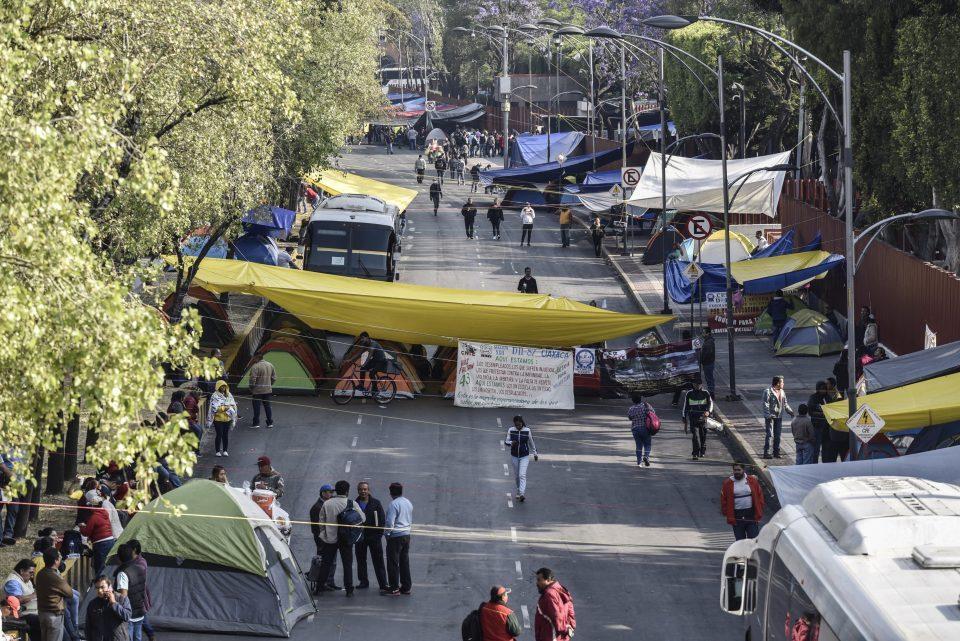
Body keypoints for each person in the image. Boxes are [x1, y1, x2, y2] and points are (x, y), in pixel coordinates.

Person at [316, 481, 363, 597]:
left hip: (330, 539)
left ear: (336, 490)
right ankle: (349, 589)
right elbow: (362, 518)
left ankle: (319, 587)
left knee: (326, 564)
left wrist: (323, 534)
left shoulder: (327, 504)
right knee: (347, 565)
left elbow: (321, 521)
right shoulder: (352, 503)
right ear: (347, 491)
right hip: (346, 539)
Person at [354, 482, 387, 591]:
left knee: (378, 561)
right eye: (361, 489)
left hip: (374, 537)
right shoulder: (354, 503)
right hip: (360, 537)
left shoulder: (376, 503)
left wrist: (379, 535)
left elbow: (382, 520)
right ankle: (363, 581)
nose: (363, 491)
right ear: (358, 491)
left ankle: (383, 583)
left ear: (368, 490)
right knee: (361, 560)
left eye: (365, 489)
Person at [78, 491, 118, 577]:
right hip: (110, 541)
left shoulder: (94, 517)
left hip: (100, 544)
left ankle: (99, 584)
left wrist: (81, 527)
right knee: (107, 565)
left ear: (92, 506)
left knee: (99, 567)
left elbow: (86, 532)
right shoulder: (105, 513)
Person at [720, 463, 765, 540]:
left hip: (751, 516)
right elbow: (724, 499)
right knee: (740, 541)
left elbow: (759, 495)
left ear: (743, 470)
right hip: (737, 517)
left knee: (753, 540)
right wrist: (727, 513)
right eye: (735, 470)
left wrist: (760, 509)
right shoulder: (727, 483)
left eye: (739, 470)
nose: (736, 472)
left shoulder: (752, 481)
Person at [382, 482, 412, 596]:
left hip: (396, 536)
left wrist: (387, 534)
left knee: (393, 562)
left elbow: (390, 522)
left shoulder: (393, 504)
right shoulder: (407, 502)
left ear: (391, 492)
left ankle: (394, 587)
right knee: (404, 561)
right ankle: (406, 586)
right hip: (406, 535)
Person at [36, 548, 72, 641]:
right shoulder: (55, 577)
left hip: (42, 613)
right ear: (56, 561)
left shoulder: (40, 574)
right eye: (59, 557)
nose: (61, 559)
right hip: (54, 615)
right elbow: (69, 593)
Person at [309, 485, 340, 590]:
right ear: (323, 493)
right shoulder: (318, 507)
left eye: (331, 492)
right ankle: (322, 582)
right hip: (324, 540)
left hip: (332, 538)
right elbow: (316, 528)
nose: (331, 494)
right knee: (324, 562)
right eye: (329, 492)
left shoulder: (328, 505)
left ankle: (330, 581)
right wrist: (321, 540)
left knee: (333, 561)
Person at [112, 544, 145, 641]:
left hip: (129, 616)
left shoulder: (122, 574)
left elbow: (123, 597)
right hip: (140, 612)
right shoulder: (140, 567)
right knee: (137, 638)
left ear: (119, 558)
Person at [83, 576, 131, 641]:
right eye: (97, 588)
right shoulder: (92, 604)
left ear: (109, 586)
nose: (99, 590)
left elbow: (127, 616)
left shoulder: (122, 599)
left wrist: (114, 603)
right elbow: (88, 627)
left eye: (102, 587)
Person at [533, 568, 575, 641]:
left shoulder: (549, 595)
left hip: (550, 636)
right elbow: (570, 608)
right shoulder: (560, 589)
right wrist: (570, 626)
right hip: (561, 637)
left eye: (539, 580)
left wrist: (564, 628)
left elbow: (556, 616)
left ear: (548, 580)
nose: (537, 583)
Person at [504, 416, 538, 502]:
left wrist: (535, 453)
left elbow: (531, 442)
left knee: (522, 475)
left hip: (524, 456)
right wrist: (512, 442)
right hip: (514, 455)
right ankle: (519, 490)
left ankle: (522, 493)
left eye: (519, 425)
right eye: (516, 425)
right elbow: (506, 441)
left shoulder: (527, 430)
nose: (518, 427)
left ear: (522, 423)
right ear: (514, 424)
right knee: (517, 476)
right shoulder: (511, 430)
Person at [3, 559, 39, 639]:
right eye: (30, 573)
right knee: (44, 622)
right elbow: (16, 600)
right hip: (19, 614)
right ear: (22, 571)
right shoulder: (13, 582)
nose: (32, 576)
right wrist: (35, 594)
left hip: (31, 611)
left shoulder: (26, 579)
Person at [761, 376, 794, 459]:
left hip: (779, 416)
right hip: (770, 417)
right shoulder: (768, 391)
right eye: (782, 382)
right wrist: (768, 415)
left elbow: (785, 403)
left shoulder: (782, 392)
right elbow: (765, 404)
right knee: (769, 434)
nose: (783, 384)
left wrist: (790, 411)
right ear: (778, 383)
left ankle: (776, 452)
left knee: (778, 435)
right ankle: (766, 452)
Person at [682, 378, 713, 460]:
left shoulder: (705, 393)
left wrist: (708, 412)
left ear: (701, 385)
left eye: (699, 384)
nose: (697, 386)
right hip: (693, 418)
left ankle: (702, 450)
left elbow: (711, 403)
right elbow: (686, 406)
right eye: (695, 384)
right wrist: (684, 417)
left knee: (703, 435)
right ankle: (695, 453)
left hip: (703, 418)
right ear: (693, 384)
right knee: (695, 436)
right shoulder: (689, 393)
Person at [206, 380, 236, 457]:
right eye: (221, 386)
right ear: (218, 387)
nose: (223, 388)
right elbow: (214, 408)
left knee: (225, 435)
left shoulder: (229, 395)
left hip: (227, 419)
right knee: (219, 434)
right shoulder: (214, 396)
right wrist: (224, 408)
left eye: (224, 386)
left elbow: (233, 405)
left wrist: (230, 408)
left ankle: (225, 450)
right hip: (218, 419)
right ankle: (217, 451)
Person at [248, 355, 276, 429]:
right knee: (267, 406)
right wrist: (270, 384)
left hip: (257, 391)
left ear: (257, 358)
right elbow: (274, 378)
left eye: (254, 358)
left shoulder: (255, 366)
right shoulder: (270, 365)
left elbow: (252, 379)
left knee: (256, 407)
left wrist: (251, 387)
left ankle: (256, 423)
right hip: (267, 390)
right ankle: (270, 423)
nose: (253, 359)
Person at [627, 393, 654, 467]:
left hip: (635, 429)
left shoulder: (631, 408)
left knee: (638, 445)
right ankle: (646, 456)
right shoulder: (645, 405)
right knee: (647, 444)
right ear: (640, 399)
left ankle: (639, 462)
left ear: (633, 401)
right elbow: (653, 413)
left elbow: (630, 418)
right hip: (645, 428)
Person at [807, 381, 830, 462]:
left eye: (824, 389)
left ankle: (825, 464)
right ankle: (814, 463)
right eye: (821, 389)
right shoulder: (813, 398)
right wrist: (822, 413)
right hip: (817, 426)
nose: (823, 391)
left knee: (826, 449)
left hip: (827, 427)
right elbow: (810, 411)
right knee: (816, 448)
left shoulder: (828, 397)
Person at [699, 330, 716, 397]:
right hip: (708, 362)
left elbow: (707, 353)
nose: (702, 334)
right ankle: (711, 392)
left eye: (703, 333)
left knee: (709, 378)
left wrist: (702, 360)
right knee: (708, 377)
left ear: (708, 333)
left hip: (708, 362)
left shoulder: (709, 342)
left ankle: (711, 393)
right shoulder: (708, 341)